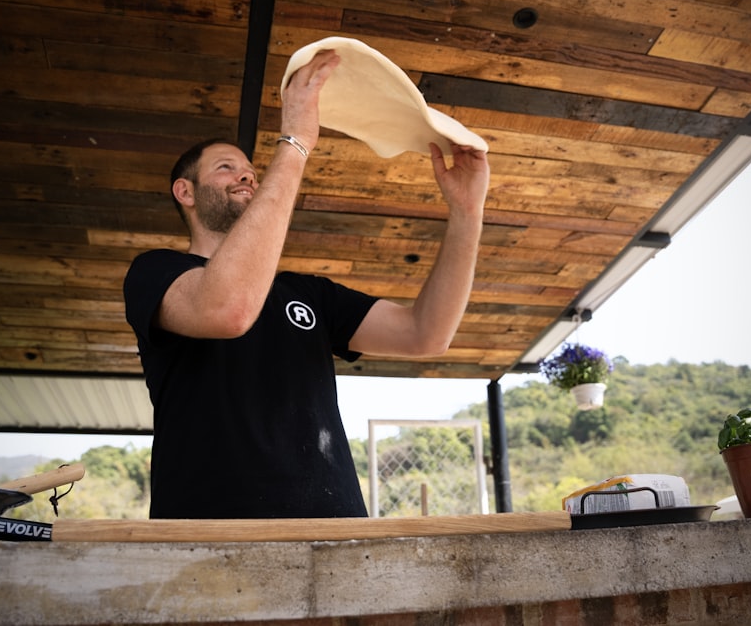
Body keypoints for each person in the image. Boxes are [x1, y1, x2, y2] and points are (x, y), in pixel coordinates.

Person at [123, 50, 490, 519]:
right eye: (224, 168)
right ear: (185, 192)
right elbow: (228, 309)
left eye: (249, 170)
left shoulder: (309, 294)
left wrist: (467, 212)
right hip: (210, 541)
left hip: (334, 536)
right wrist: (295, 141)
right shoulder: (155, 272)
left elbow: (427, 334)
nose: (246, 174)